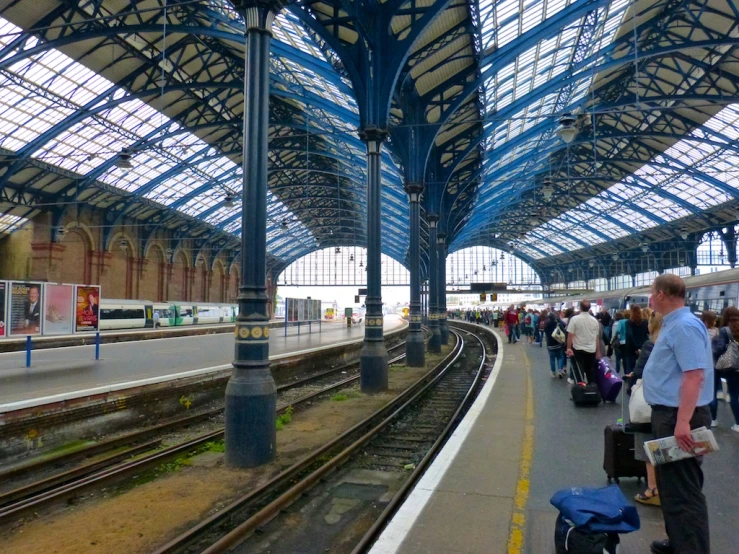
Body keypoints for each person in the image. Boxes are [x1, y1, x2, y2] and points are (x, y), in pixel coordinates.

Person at [643, 274, 713, 554]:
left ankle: (691, 549)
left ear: (661, 294)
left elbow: (694, 376)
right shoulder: (675, 325)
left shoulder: (683, 327)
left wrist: (683, 422)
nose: (649, 298)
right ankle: (679, 542)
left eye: (651, 293)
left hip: (679, 417)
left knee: (683, 491)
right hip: (670, 415)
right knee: (671, 488)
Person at [627, 311, 664, 507]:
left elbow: (640, 373)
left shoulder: (650, 345)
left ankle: (653, 488)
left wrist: (630, 380)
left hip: (649, 403)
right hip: (670, 405)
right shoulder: (673, 343)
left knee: (648, 446)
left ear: (652, 325)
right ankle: (667, 487)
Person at [711, 306, 739, 433]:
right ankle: (738, 424)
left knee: (713, 392)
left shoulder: (724, 330)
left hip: (724, 365)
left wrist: (714, 350)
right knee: (734, 395)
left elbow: (720, 349)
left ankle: (713, 419)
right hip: (737, 367)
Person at [565, 300, 601, 384]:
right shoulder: (594, 321)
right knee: (590, 371)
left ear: (580, 308)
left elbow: (570, 335)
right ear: (589, 308)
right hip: (591, 350)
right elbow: (596, 338)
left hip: (578, 349)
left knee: (578, 372)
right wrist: (598, 352)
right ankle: (591, 390)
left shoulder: (575, 319)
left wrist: (569, 348)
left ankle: (581, 391)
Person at [701, 311, 722, 428]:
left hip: (699, 365)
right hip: (712, 366)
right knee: (712, 392)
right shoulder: (717, 332)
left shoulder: (698, 331)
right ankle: (713, 418)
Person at [625, 304, 649, 375]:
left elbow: (629, 335)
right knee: (642, 368)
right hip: (643, 347)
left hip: (631, 349)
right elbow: (647, 333)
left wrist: (635, 348)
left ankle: (630, 383)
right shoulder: (645, 322)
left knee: (630, 368)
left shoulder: (628, 323)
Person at [545, 312, 566, 378]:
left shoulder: (546, 325)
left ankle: (553, 372)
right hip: (558, 343)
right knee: (560, 357)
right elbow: (564, 330)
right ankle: (560, 370)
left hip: (550, 344)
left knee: (552, 358)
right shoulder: (558, 324)